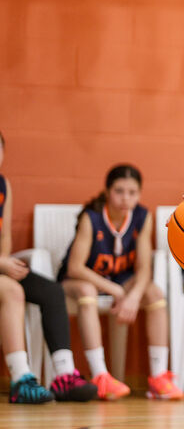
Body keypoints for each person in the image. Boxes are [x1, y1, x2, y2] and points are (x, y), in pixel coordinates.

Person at [59, 164, 183, 400]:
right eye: (119, 191)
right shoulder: (91, 216)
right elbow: (75, 267)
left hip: (120, 280)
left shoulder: (142, 216)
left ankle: (158, 378)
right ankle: (100, 375)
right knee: (87, 290)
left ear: (139, 194)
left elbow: (144, 267)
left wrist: (134, 296)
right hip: (80, 281)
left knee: (154, 294)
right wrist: (116, 290)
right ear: (107, 191)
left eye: (132, 192)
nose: (125, 198)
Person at [0, 131, 97, 402]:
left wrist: (4, 261)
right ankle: (21, 379)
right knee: (11, 291)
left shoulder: (3, 185)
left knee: (52, 292)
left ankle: (64, 375)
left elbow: (4, 235)